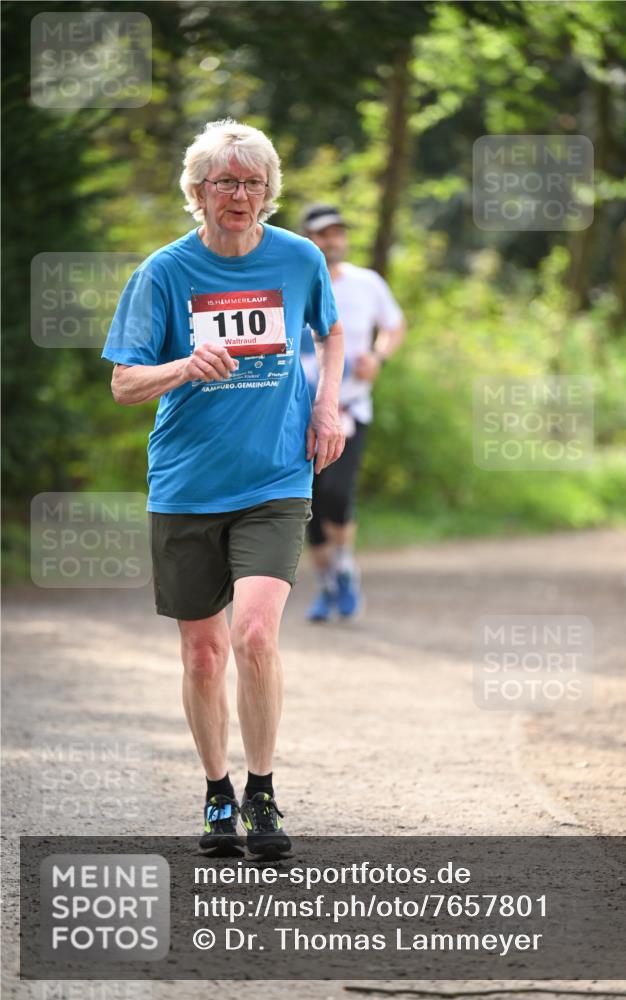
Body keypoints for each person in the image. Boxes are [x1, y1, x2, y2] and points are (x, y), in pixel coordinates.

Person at [103, 121, 345, 858]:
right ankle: (216, 793)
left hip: (275, 477)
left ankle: (263, 792)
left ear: (267, 192)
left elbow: (329, 333)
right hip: (186, 483)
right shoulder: (164, 273)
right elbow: (123, 383)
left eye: (251, 182)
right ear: (197, 192)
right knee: (203, 654)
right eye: (224, 182)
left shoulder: (299, 258)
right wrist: (184, 365)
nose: (238, 195)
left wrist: (326, 404)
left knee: (255, 635)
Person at [300, 204, 405, 622]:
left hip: (350, 407)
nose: (333, 241)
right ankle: (328, 586)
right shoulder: (292, 281)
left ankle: (344, 564)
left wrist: (378, 356)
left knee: (337, 494)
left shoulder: (367, 283)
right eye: (324, 234)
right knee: (306, 502)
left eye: (338, 233)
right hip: (299, 412)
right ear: (308, 238)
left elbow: (394, 325)